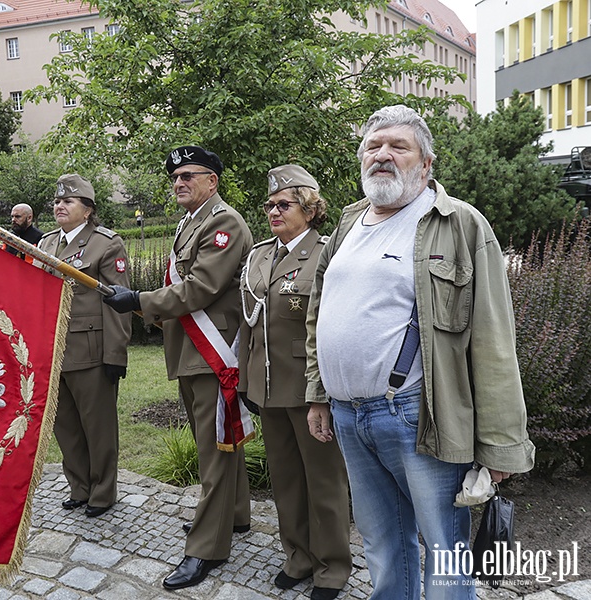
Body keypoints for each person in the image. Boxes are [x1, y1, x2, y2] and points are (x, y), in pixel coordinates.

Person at [305, 105, 535, 600]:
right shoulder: (347, 224)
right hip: (349, 415)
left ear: (426, 164)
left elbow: (494, 341)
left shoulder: (460, 225)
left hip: (418, 414)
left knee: (443, 547)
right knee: (383, 542)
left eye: (398, 146)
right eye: (373, 145)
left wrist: (500, 446)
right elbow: (318, 313)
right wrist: (319, 393)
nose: (382, 155)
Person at [104, 146, 253, 590]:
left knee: (214, 450)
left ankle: (207, 547)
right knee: (220, 443)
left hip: (212, 354)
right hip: (191, 352)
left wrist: (138, 301)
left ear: (213, 181)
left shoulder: (223, 222)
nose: (179, 182)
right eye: (175, 177)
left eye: (190, 175)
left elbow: (201, 286)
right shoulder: (192, 223)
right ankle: (236, 516)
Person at [238, 165, 350, 600]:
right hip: (268, 387)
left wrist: (322, 389)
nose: (273, 211)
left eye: (283, 204)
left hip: (309, 389)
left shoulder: (327, 253)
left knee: (322, 481)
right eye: (269, 205)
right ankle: (299, 555)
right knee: (285, 479)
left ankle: (332, 567)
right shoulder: (262, 254)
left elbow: (332, 324)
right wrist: (248, 382)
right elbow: (251, 326)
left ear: (309, 207)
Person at [37, 174, 132, 519]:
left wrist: (115, 354)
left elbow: (118, 304)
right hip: (54, 352)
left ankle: (103, 492)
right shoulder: (46, 243)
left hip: (91, 352)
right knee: (66, 425)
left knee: (98, 427)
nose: (60, 206)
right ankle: (79, 487)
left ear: (88, 210)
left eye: (69, 201)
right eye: (57, 201)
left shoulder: (105, 244)